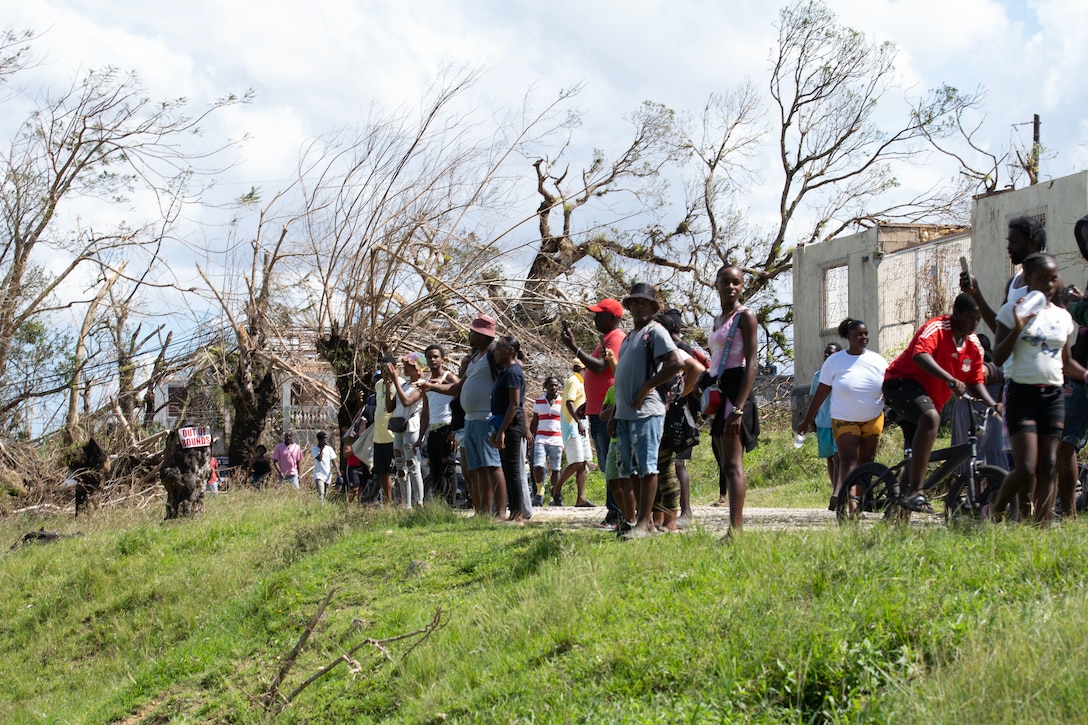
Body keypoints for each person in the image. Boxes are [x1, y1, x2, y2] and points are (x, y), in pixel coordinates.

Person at [988, 253, 1087, 525]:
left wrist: (1086, 374)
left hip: (1053, 396)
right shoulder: (1012, 311)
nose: (1048, 283)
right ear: (1028, 278)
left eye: (1052, 278)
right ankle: (996, 509)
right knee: (1027, 467)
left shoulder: (1063, 317)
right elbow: (996, 357)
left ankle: (1039, 528)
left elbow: (1066, 363)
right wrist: (1019, 328)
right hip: (1022, 394)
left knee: (1048, 465)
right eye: (1041, 278)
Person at [882, 293, 998, 513]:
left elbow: (976, 381)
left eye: (977, 319)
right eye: (970, 318)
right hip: (900, 384)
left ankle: (900, 507)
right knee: (931, 417)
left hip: (930, 398)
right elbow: (920, 355)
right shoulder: (936, 328)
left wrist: (993, 403)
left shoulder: (973, 344)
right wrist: (950, 379)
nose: (974, 323)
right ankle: (917, 490)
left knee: (919, 448)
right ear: (955, 314)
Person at [612, 282, 682, 538]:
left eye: (645, 302)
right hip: (626, 414)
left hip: (647, 411)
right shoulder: (631, 335)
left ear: (653, 307)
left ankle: (644, 523)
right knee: (629, 469)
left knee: (648, 466)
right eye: (635, 302)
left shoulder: (655, 331)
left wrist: (645, 388)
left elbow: (675, 363)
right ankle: (646, 523)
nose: (640, 306)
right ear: (629, 307)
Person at [797, 320, 887, 513]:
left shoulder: (878, 360)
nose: (863, 338)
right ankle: (848, 501)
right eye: (858, 334)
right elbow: (820, 392)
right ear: (848, 337)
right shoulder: (835, 362)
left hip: (873, 418)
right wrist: (807, 419)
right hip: (844, 418)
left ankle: (857, 499)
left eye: (865, 334)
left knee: (866, 461)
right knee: (847, 459)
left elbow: (887, 386)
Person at [419, 314, 501, 518]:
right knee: (475, 468)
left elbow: (505, 383)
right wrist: (430, 386)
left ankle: (498, 512)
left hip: (485, 417)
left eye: (473, 331)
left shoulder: (493, 355)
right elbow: (458, 388)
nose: (469, 334)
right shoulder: (474, 358)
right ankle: (482, 512)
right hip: (470, 420)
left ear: (483, 334)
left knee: (490, 466)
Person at [561, 297, 626, 525]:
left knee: (612, 463)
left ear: (614, 317)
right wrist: (585, 404)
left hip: (607, 411)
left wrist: (573, 347)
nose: (595, 317)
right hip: (597, 409)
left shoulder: (616, 337)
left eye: (600, 314)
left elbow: (600, 367)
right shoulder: (605, 338)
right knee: (608, 463)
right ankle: (614, 512)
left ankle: (617, 513)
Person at [707, 265, 759, 532]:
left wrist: (738, 409)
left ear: (742, 286)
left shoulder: (745, 316)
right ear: (716, 284)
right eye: (725, 281)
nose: (730, 287)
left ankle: (735, 530)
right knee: (724, 463)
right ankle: (732, 527)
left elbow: (752, 363)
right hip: (720, 392)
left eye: (736, 282)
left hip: (737, 392)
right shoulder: (718, 319)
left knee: (733, 464)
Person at [960, 215, 1046, 332]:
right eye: (1009, 242)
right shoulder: (1013, 282)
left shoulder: (1047, 281)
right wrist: (976, 293)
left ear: (1033, 243)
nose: (1009, 247)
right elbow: (999, 329)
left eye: (1014, 242)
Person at [490, 335, 533, 523]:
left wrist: (502, 431)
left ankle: (518, 513)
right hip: (503, 425)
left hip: (512, 427)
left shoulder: (514, 373)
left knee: (514, 470)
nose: (495, 351)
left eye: (499, 348)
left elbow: (515, 404)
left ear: (510, 351)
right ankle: (513, 510)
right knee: (507, 469)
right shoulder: (505, 372)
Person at [419, 345, 458, 504]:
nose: (432, 359)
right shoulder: (426, 384)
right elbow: (426, 412)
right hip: (433, 430)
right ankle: (440, 506)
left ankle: (451, 504)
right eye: (429, 357)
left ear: (442, 359)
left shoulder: (450, 377)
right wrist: (421, 437)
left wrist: (456, 429)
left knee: (447, 467)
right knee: (435, 469)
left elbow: (461, 399)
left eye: (435, 356)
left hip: (448, 427)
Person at [386, 352, 426, 508]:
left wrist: (395, 380)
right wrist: (389, 383)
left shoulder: (422, 385)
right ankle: (407, 505)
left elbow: (407, 401)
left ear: (418, 368)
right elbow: (390, 407)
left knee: (412, 464)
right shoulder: (403, 385)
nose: (405, 367)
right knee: (400, 465)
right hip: (399, 429)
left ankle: (419, 502)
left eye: (409, 365)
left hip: (412, 427)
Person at [554, 359, 594, 507]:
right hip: (572, 425)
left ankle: (581, 497)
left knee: (583, 462)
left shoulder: (582, 382)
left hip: (582, 425)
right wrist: (578, 422)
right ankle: (557, 489)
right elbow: (569, 402)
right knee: (576, 462)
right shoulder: (573, 381)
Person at [810, 343, 842, 492]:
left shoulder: (842, 375)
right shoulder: (817, 376)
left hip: (840, 421)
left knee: (839, 457)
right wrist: (811, 419)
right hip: (823, 422)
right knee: (830, 457)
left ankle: (839, 491)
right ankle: (834, 489)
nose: (828, 357)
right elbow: (812, 399)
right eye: (826, 354)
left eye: (832, 354)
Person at [529, 376, 563, 508]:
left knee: (556, 468)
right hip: (541, 438)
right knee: (538, 466)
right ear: (546, 387)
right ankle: (540, 491)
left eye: (555, 385)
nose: (553, 388)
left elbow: (565, 422)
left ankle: (555, 493)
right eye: (551, 385)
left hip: (557, 439)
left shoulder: (562, 402)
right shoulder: (538, 401)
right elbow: (534, 422)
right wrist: (530, 437)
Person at [372, 358, 399, 504]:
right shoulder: (378, 384)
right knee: (381, 472)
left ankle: (399, 502)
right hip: (378, 436)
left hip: (392, 436)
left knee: (393, 471)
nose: (384, 371)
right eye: (381, 368)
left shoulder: (400, 383)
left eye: (387, 368)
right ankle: (388, 502)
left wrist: (390, 385)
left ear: (394, 367)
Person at [311, 431, 337, 501]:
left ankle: (322, 507)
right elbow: (319, 459)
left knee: (325, 494)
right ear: (319, 439)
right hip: (318, 474)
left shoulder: (329, 449)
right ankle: (321, 507)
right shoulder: (314, 449)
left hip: (327, 474)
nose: (325, 440)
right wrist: (322, 448)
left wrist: (338, 472)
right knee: (321, 493)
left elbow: (333, 460)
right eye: (324, 439)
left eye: (326, 439)